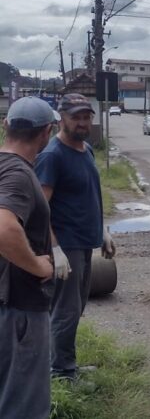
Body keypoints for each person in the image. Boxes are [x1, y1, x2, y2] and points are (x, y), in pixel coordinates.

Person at [34, 93, 116, 381]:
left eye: (86, 116)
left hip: (84, 243)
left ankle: (64, 363)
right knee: (65, 312)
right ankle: (61, 372)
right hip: (65, 247)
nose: (82, 122)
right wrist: (54, 249)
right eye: (75, 117)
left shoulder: (86, 149)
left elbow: (88, 195)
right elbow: (39, 210)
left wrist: (102, 230)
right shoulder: (51, 156)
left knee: (77, 307)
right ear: (61, 118)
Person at [0, 97, 57, 418]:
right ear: (46, 132)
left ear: (5, 125)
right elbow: (4, 228)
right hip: (19, 309)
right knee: (24, 407)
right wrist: (38, 264)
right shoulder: (19, 174)